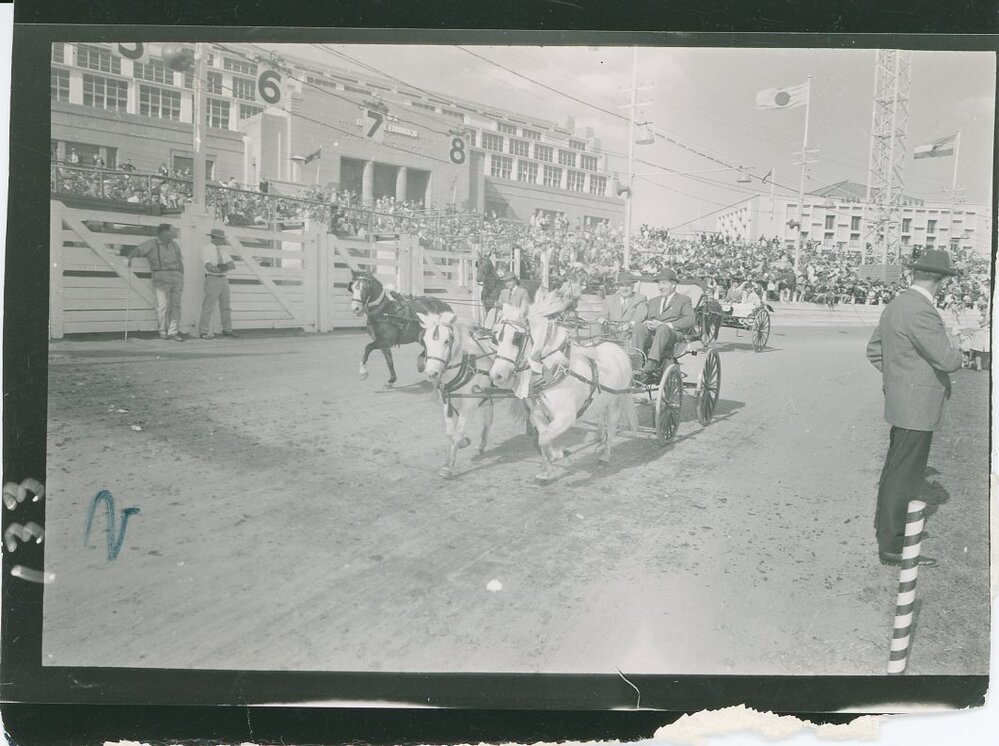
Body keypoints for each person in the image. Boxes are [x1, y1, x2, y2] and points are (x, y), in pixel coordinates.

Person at [865, 249, 964, 568]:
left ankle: (887, 530)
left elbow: (874, 351)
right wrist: (957, 344)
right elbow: (948, 360)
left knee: (897, 469)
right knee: (906, 475)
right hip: (917, 405)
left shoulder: (898, 304)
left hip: (903, 401)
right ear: (942, 281)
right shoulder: (922, 310)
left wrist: (900, 380)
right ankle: (893, 545)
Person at [125, 223, 185, 341]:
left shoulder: (175, 245)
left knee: (176, 305)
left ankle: (173, 332)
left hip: (176, 276)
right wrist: (129, 258)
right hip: (161, 275)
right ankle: (162, 331)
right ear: (165, 232)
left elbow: (180, 261)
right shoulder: (152, 244)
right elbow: (137, 250)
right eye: (172, 231)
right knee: (163, 305)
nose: (174, 233)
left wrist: (181, 275)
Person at [633, 268, 695, 383]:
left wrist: (666, 325)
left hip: (672, 335)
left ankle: (652, 364)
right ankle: (636, 363)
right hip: (654, 335)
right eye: (659, 283)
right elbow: (648, 318)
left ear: (674, 284)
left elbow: (690, 320)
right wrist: (647, 322)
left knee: (662, 328)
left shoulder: (684, 300)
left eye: (664, 283)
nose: (660, 287)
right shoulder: (653, 301)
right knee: (638, 326)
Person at [197, 228, 238, 339]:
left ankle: (227, 329)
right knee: (208, 306)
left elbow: (232, 265)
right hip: (212, 279)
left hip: (223, 279)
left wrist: (219, 268)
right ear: (214, 238)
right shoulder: (206, 250)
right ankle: (203, 331)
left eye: (222, 238)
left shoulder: (223, 250)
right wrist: (222, 268)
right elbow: (209, 267)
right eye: (220, 238)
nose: (222, 241)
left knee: (226, 306)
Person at [599, 270, 648, 350]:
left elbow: (639, 316)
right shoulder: (609, 299)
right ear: (617, 287)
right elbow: (603, 315)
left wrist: (629, 325)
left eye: (628, 285)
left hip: (629, 336)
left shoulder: (640, 298)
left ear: (633, 286)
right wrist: (602, 318)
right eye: (622, 286)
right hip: (611, 335)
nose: (625, 289)